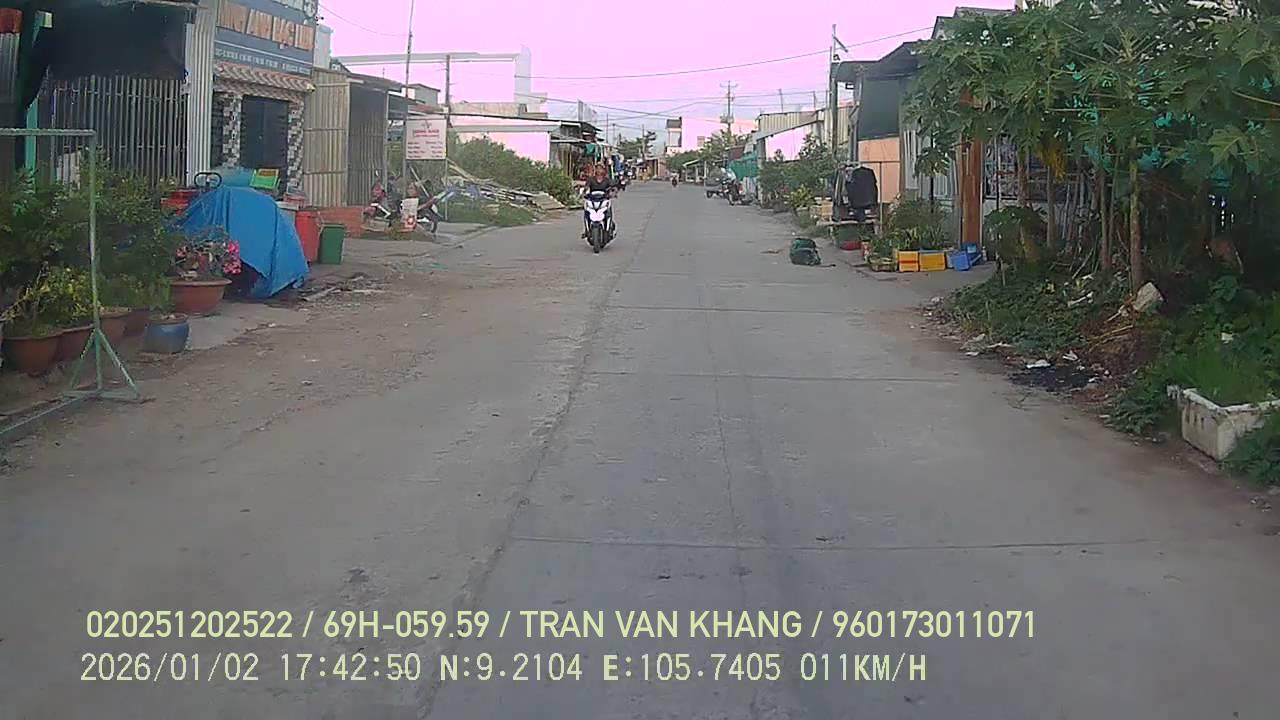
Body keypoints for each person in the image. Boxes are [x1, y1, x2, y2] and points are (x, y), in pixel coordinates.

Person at [582, 164, 616, 238]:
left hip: (604, 200)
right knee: (587, 212)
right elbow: (586, 187)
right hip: (593, 200)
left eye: (601, 169)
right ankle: (587, 230)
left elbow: (612, 188)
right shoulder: (591, 179)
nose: (599, 170)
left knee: (608, 212)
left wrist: (612, 193)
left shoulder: (607, 180)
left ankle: (608, 229)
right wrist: (584, 192)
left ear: (604, 170)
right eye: (597, 168)